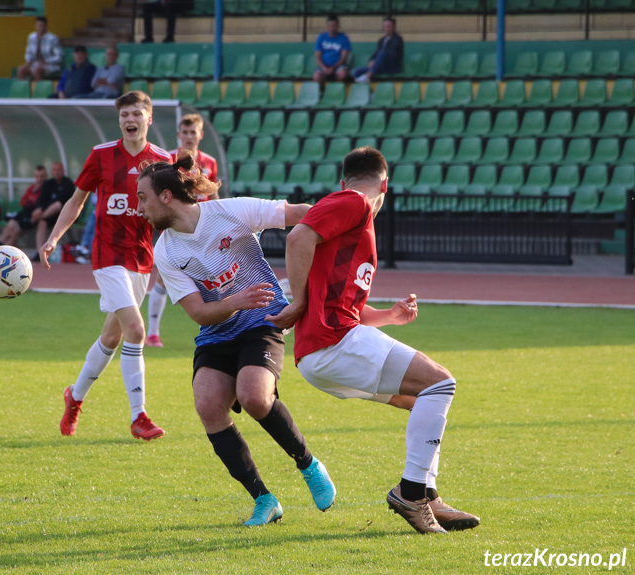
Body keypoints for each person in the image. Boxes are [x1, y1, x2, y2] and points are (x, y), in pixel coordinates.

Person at [265, 146, 480, 534]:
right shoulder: (356, 203)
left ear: (343, 180)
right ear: (385, 183)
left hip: (323, 354)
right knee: (441, 383)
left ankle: (429, 496)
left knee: (423, 399)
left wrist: (387, 317)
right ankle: (411, 493)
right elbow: (297, 238)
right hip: (333, 343)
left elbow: (339, 301)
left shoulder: (350, 222)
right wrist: (297, 302)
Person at [135, 152, 336, 526]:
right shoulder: (165, 250)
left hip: (263, 320)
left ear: (166, 196)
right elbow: (198, 312)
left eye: (143, 197)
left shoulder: (231, 212)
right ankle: (264, 500)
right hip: (216, 332)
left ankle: (308, 466)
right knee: (209, 406)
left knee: (255, 396)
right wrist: (233, 301)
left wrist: (343, 228)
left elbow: (305, 214)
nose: (139, 207)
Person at [39, 91, 172, 441]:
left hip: (142, 259)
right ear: (120, 121)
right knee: (136, 330)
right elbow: (76, 200)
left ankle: (75, 396)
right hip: (108, 257)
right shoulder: (101, 155)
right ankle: (138, 416)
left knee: (112, 336)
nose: (131, 119)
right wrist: (55, 237)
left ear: (149, 119)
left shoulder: (161, 161)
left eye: (137, 113)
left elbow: (174, 210)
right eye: (125, 114)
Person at [146, 113, 219, 348]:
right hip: (178, 227)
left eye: (193, 132)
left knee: (213, 277)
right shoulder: (168, 159)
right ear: (179, 135)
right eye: (185, 132)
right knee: (163, 278)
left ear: (200, 135)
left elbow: (213, 193)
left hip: (205, 228)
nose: (189, 137)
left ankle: (215, 328)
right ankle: (153, 333)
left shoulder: (209, 162)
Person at [351, 17, 404, 84]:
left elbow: (392, 54)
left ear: (394, 27)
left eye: (389, 26)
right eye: (385, 26)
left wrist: (377, 60)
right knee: (355, 71)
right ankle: (369, 89)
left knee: (382, 52)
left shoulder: (398, 39)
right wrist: (371, 60)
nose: (386, 28)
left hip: (391, 67)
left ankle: (368, 76)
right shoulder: (381, 40)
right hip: (378, 67)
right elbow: (375, 53)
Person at [17, 16, 62, 81]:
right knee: (21, 69)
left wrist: (46, 61)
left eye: (42, 25)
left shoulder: (53, 38)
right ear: (35, 26)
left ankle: (39, 90)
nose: (40, 28)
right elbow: (28, 53)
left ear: (46, 26)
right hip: (34, 64)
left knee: (37, 70)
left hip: (50, 66)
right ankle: (22, 90)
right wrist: (29, 61)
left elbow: (59, 57)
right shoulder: (31, 37)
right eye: (38, 25)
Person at [313, 14, 352, 84]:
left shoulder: (344, 38)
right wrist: (324, 68)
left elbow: (344, 58)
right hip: (324, 65)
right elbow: (317, 57)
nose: (331, 28)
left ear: (338, 26)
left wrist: (333, 68)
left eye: (334, 25)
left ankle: (337, 90)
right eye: (330, 26)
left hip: (340, 66)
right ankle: (322, 92)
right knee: (316, 77)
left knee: (343, 74)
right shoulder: (321, 37)